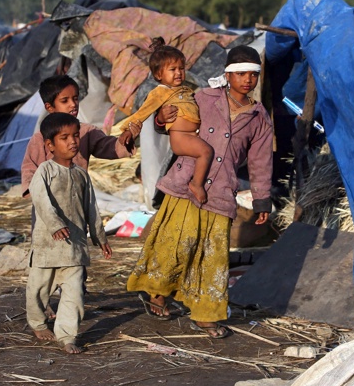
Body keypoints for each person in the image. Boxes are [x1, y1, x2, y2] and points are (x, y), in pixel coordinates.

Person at [127, 45, 274, 338]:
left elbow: (260, 161)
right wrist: (160, 119)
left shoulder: (259, 117)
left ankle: (206, 314)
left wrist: (262, 200)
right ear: (227, 75)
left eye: (253, 74)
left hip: (220, 192)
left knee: (213, 256)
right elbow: (173, 123)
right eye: (241, 73)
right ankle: (156, 293)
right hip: (185, 183)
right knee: (175, 244)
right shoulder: (203, 98)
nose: (247, 80)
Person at [26, 112, 111, 354]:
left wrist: (99, 238)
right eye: (64, 138)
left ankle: (67, 336)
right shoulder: (45, 171)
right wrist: (54, 225)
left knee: (74, 296)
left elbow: (91, 209)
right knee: (38, 291)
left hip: (74, 248)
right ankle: (38, 323)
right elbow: (40, 200)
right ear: (50, 145)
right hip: (47, 247)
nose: (72, 141)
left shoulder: (81, 174)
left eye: (75, 136)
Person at [116, 37, 213, 205]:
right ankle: (196, 185)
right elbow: (142, 113)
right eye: (173, 69)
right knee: (206, 152)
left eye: (181, 68)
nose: (178, 73)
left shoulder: (186, 91)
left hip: (192, 136)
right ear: (159, 74)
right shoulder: (159, 93)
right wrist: (128, 130)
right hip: (181, 138)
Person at [20, 75, 142, 198]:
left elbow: (108, 147)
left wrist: (126, 138)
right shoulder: (40, 138)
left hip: (78, 198)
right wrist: (36, 195)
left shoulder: (86, 131)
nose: (73, 104)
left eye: (75, 98)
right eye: (65, 101)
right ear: (49, 107)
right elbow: (30, 168)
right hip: (49, 202)